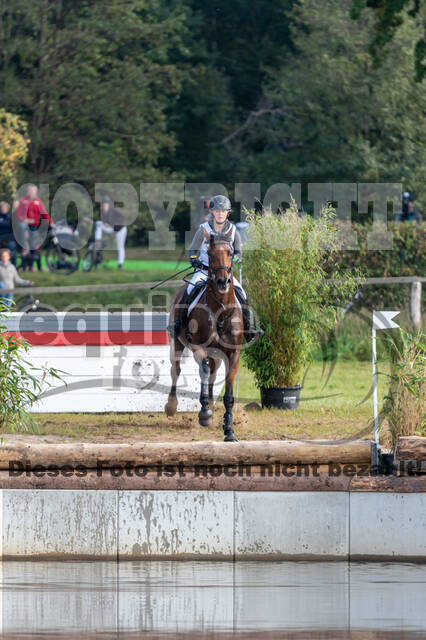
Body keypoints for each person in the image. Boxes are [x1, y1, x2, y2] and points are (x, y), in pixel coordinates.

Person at [168, 194, 264, 343]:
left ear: (227, 212)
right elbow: (192, 251)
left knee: (242, 294)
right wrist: (195, 261)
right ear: (212, 212)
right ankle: (179, 325)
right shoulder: (203, 229)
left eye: (223, 211)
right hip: (204, 270)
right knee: (189, 291)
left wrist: (236, 259)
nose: (220, 213)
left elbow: (238, 252)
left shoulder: (233, 230)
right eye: (217, 211)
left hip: (225, 272)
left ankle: (248, 330)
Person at [14, 184, 54, 256]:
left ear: (36, 192)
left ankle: (31, 261)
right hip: (24, 224)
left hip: (34, 225)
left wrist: (51, 223)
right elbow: (18, 214)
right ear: (28, 192)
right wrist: (25, 219)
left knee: (34, 243)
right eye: (30, 191)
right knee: (22, 226)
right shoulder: (23, 201)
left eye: (33, 191)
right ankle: (24, 247)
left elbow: (44, 214)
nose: (32, 192)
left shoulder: (38, 202)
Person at [95, 195, 127, 269]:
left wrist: (115, 224)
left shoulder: (115, 209)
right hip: (111, 228)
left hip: (120, 229)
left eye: (106, 204)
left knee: (120, 247)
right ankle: (98, 241)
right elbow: (103, 221)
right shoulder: (102, 211)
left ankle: (120, 264)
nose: (104, 206)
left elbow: (123, 216)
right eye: (103, 204)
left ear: (109, 204)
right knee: (98, 223)